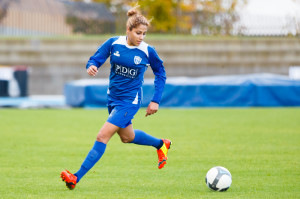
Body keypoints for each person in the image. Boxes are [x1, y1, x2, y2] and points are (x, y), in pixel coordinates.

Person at [60, 6, 171, 190]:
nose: (141, 37)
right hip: (113, 99)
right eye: (138, 33)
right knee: (127, 137)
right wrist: (92, 66)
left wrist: (155, 100)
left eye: (144, 34)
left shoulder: (147, 50)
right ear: (128, 30)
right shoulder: (114, 43)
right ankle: (161, 144)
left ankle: (76, 177)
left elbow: (161, 73)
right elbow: (95, 59)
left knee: (102, 136)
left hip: (130, 101)